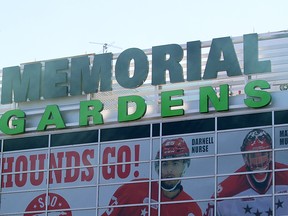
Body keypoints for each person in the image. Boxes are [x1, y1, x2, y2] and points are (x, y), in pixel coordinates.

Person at [101, 138, 202, 216]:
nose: (169, 170)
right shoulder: (133, 189)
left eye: (175, 163)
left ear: (184, 166)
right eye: (165, 164)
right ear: (158, 166)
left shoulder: (192, 209)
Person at [204, 129, 288, 216]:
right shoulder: (227, 191)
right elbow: (213, 205)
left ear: (270, 153)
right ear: (245, 157)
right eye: (253, 155)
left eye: (263, 153)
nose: (258, 161)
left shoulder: (285, 175)